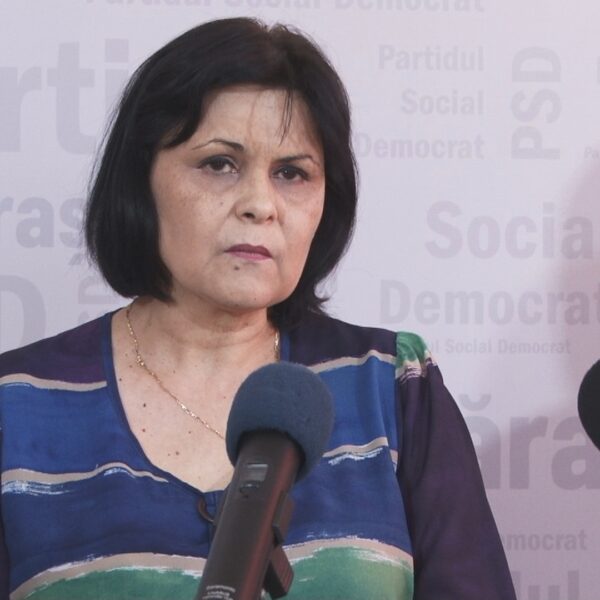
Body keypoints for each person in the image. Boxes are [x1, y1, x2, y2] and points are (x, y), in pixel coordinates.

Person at [0, 17, 516, 600]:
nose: (259, 205)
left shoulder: (391, 387)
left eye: (292, 173)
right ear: (141, 181)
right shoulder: (17, 406)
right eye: (219, 164)